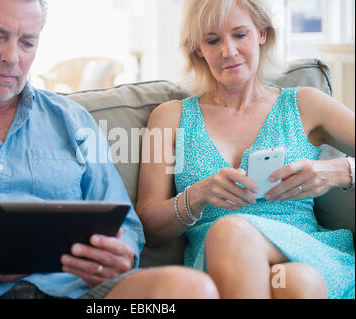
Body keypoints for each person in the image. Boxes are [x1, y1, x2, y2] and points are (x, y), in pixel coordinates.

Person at [0, 0, 220, 299]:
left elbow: (124, 227)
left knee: (191, 289)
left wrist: (118, 255)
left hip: (76, 293)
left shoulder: (72, 121)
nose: (12, 57)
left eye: (27, 42)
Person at [136, 0, 355, 299]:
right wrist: (197, 195)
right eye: (213, 40)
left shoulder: (304, 103)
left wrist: (339, 171)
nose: (229, 51)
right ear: (198, 48)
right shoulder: (169, 118)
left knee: (272, 257)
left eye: (240, 34)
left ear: (262, 33)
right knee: (296, 282)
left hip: (307, 251)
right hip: (223, 269)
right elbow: (148, 227)